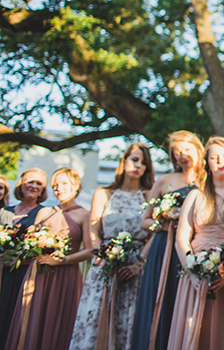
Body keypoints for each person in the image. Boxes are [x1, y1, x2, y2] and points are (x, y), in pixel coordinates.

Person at [167, 136, 224, 350]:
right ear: (207, 162)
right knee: (196, 329)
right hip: (196, 272)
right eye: (215, 157)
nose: (220, 161)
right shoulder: (195, 196)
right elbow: (181, 239)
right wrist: (192, 270)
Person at [69, 144, 154, 350]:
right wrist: (103, 253)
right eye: (134, 159)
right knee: (97, 316)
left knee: (129, 320)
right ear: (124, 160)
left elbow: (153, 235)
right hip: (105, 264)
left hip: (134, 268)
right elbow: (93, 230)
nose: (138, 166)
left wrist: (138, 264)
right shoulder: (105, 193)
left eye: (144, 163)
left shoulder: (148, 195)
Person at [131, 131, 205, 350]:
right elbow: (145, 222)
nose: (183, 156)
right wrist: (163, 223)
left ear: (198, 150)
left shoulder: (209, 181)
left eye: (186, 150)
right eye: (177, 153)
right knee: (161, 302)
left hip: (196, 247)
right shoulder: (165, 181)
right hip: (164, 248)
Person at [5, 168, 92, 350]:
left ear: (75, 186)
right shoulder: (44, 213)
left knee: (59, 319)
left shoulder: (83, 214)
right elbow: (29, 242)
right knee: (33, 320)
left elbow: (90, 251)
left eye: (64, 184)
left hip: (66, 275)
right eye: (55, 185)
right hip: (39, 274)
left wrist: (60, 261)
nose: (59, 189)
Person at [0, 168, 47, 349]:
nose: (34, 186)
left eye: (39, 184)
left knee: (15, 317)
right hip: (1, 273)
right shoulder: (4, 211)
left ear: (43, 189)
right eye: (30, 182)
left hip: (23, 274)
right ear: (21, 184)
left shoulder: (44, 213)